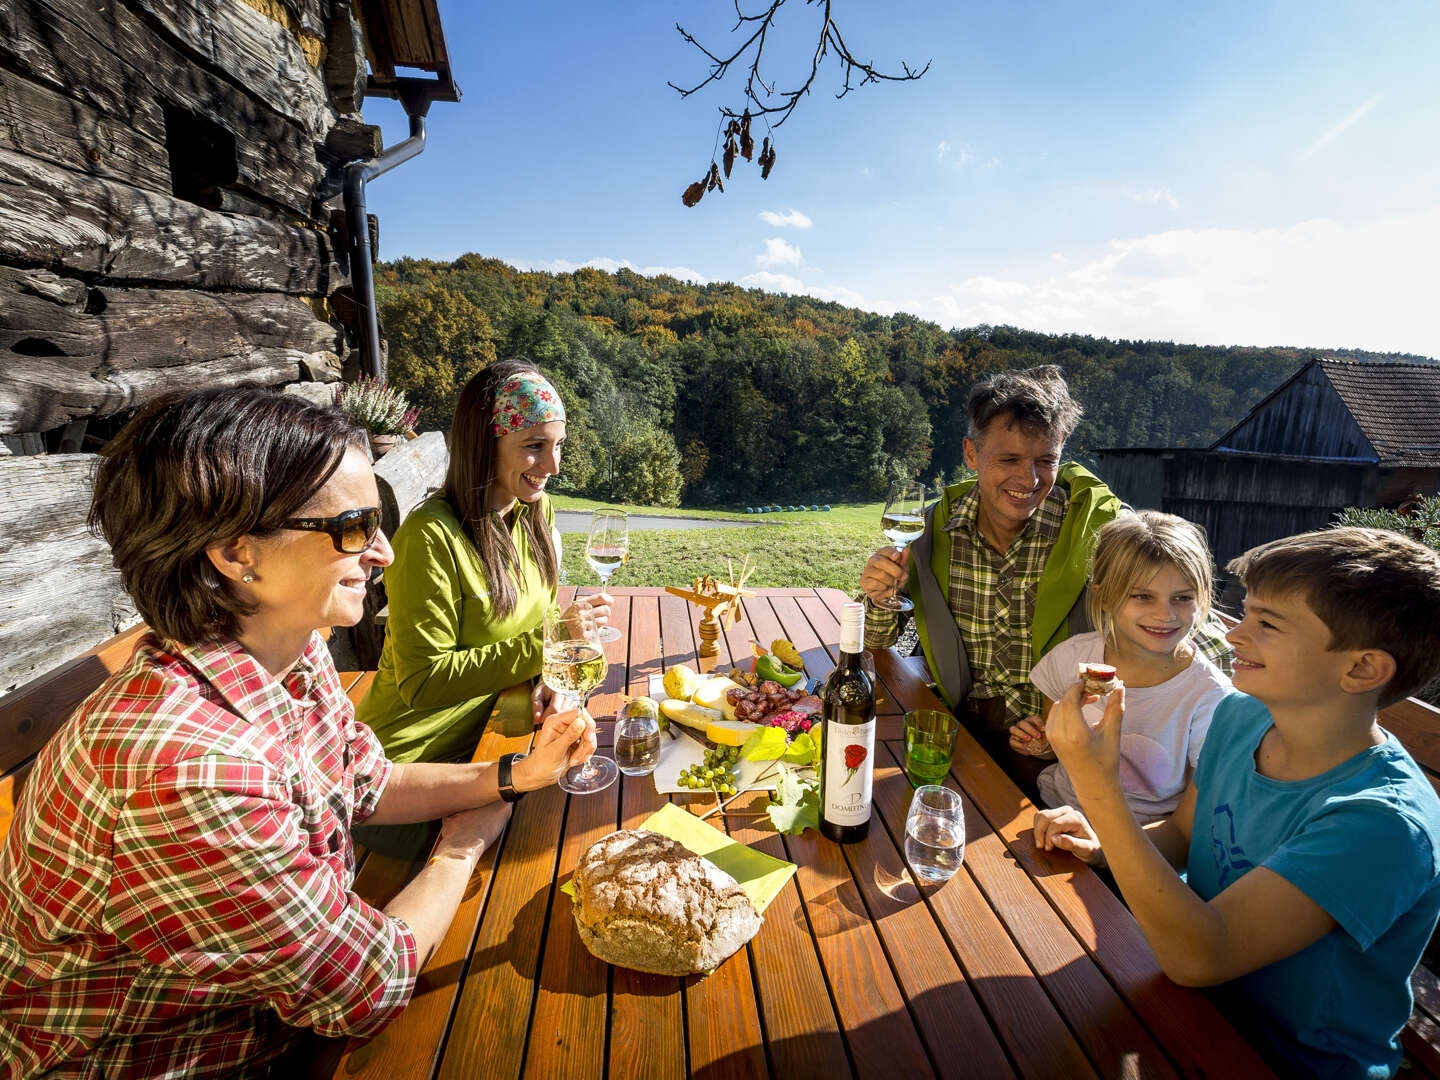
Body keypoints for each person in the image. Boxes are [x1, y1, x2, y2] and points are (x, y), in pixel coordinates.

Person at [0, 389, 595, 1078]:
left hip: (261, 1012)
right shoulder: (191, 772)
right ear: (234, 552)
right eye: (352, 526)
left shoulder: (285, 647)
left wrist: (512, 776)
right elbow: (369, 986)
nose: (383, 553)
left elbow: (369, 780)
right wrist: (458, 848)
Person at [1035, 527, 1440, 1078]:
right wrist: (1102, 843)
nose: (1232, 636)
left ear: (1362, 669)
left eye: (1266, 624)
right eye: (1244, 614)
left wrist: (1098, 785)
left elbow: (1202, 957)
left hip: (1285, 1057)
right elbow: (1182, 837)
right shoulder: (1242, 717)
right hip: (1181, 1002)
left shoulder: (1381, 823)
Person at [860, 365, 1129, 788]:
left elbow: (1173, 634)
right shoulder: (930, 532)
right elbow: (876, 645)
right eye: (1009, 460)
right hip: (958, 733)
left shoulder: (1098, 534)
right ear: (971, 454)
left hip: (1067, 757)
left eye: (1046, 461)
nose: (1029, 479)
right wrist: (878, 596)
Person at [356, 360, 608, 766]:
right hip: (413, 758)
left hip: (499, 735)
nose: (553, 466)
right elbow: (422, 683)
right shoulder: (430, 537)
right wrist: (551, 644)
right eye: (534, 446)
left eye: (558, 444)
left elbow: (535, 618)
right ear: (485, 443)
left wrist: (547, 677)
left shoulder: (537, 512)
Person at [1009, 511, 1231, 821]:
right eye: (1142, 596)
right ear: (1104, 598)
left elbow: (1191, 825)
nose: (1165, 614)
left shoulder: (1210, 697)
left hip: (1143, 846)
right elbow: (1057, 748)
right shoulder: (1070, 659)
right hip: (1054, 811)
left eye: (1182, 598)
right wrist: (1039, 744)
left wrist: (1102, 850)